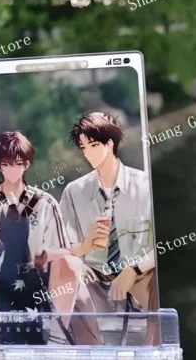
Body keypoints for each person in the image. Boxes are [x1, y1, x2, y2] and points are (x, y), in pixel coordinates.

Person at [0, 131, 89, 343]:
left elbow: (64, 250)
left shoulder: (45, 203)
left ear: (27, 164)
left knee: (71, 263)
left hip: (37, 278)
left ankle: (56, 340)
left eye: (18, 163)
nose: (12, 169)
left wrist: (45, 255)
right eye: (6, 164)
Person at [59, 112, 159, 345]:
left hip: (139, 277)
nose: (88, 153)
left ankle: (153, 351)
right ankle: (92, 352)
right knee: (69, 268)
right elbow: (61, 251)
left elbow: (164, 245)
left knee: (158, 273)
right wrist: (84, 246)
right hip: (95, 279)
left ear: (110, 144)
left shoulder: (145, 186)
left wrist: (133, 269)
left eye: (93, 145)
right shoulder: (74, 193)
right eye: (83, 148)